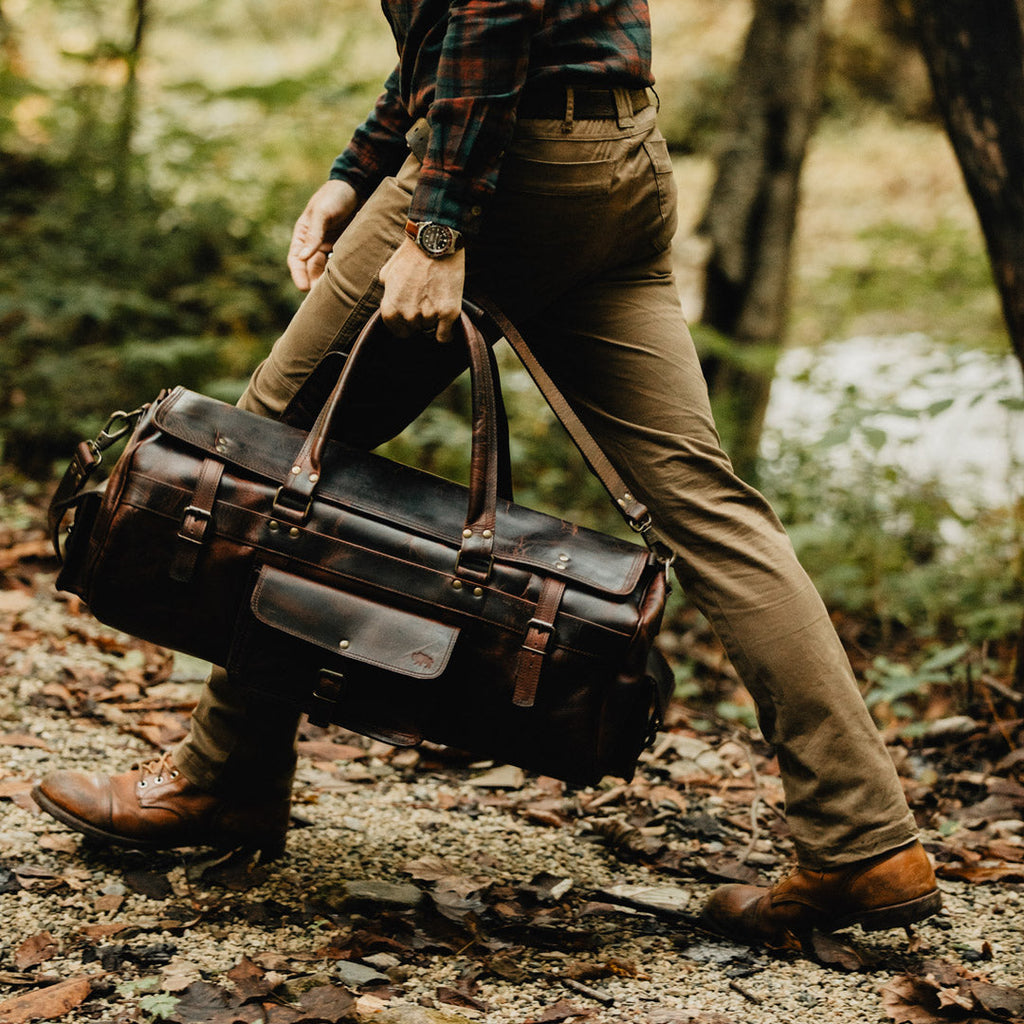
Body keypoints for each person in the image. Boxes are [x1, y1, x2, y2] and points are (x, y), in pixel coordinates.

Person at [32, 0, 941, 950]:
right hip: (617, 156)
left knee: (256, 457)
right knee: (707, 507)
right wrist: (360, 166)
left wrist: (436, 225)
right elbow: (452, 33)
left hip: (507, 161)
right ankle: (864, 839)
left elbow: (488, 10)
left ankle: (222, 780)